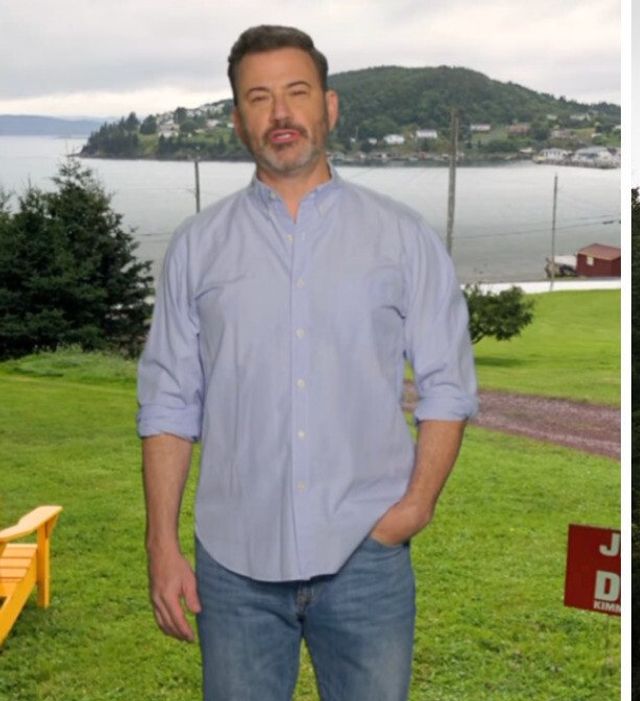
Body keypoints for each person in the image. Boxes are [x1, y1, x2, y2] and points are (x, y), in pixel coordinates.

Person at [136, 25, 477, 701]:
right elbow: (170, 402)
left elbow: (447, 385)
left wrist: (413, 509)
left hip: (367, 561)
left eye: (297, 92)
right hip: (232, 568)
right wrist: (161, 546)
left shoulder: (401, 237)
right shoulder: (197, 247)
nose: (281, 113)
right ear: (238, 121)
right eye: (258, 98)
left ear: (330, 106)